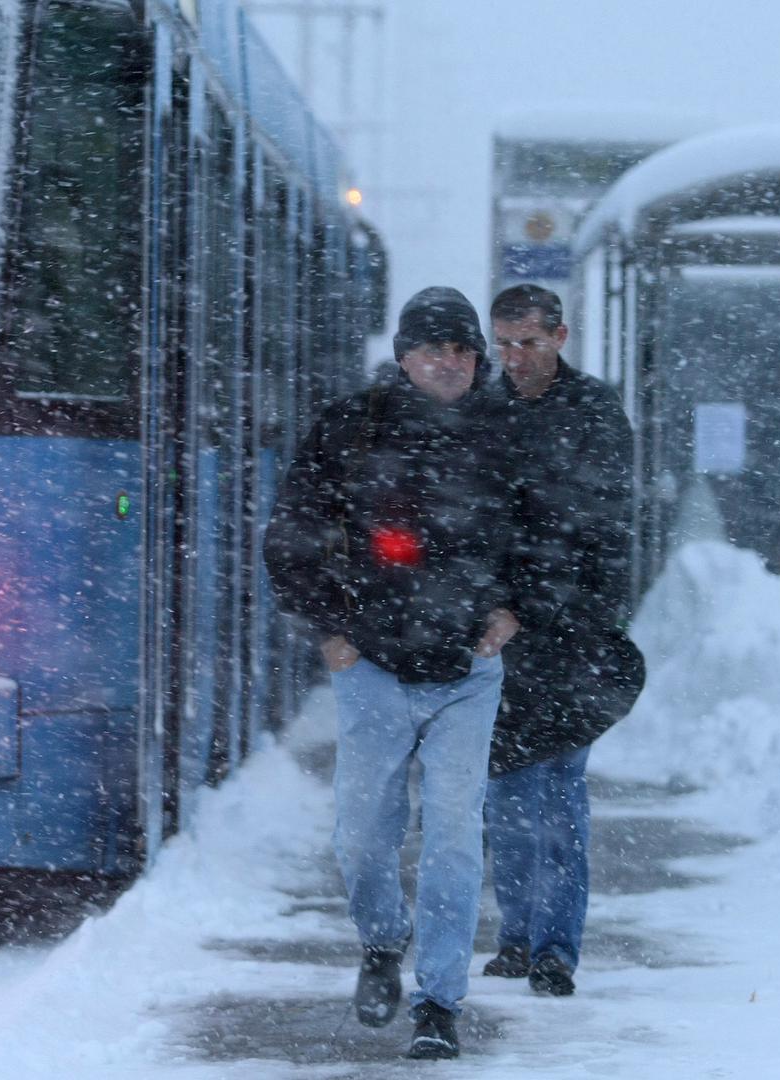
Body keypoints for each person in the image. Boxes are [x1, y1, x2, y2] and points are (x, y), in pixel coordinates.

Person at [263, 286, 522, 1060]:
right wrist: (329, 629)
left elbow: (545, 536)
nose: (448, 363)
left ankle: (439, 1003)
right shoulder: (350, 428)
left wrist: (513, 611)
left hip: (467, 670)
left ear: (476, 360)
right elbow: (293, 529)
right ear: (403, 356)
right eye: (432, 349)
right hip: (371, 662)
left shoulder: (505, 433)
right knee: (361, 836)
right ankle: (380, 942)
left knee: (450, 835)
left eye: (462, 351)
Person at [481, 284, 645, 997]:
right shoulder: (481, 409)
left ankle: (554, 947)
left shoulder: (594, 415)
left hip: (568, 634)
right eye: (504, 343)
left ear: (560, 337)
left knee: (556, 791)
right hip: (493, 635)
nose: (514, 358)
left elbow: (595, 533)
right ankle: (518, 934)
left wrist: (531, 606)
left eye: (528, 343)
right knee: (502, 791)